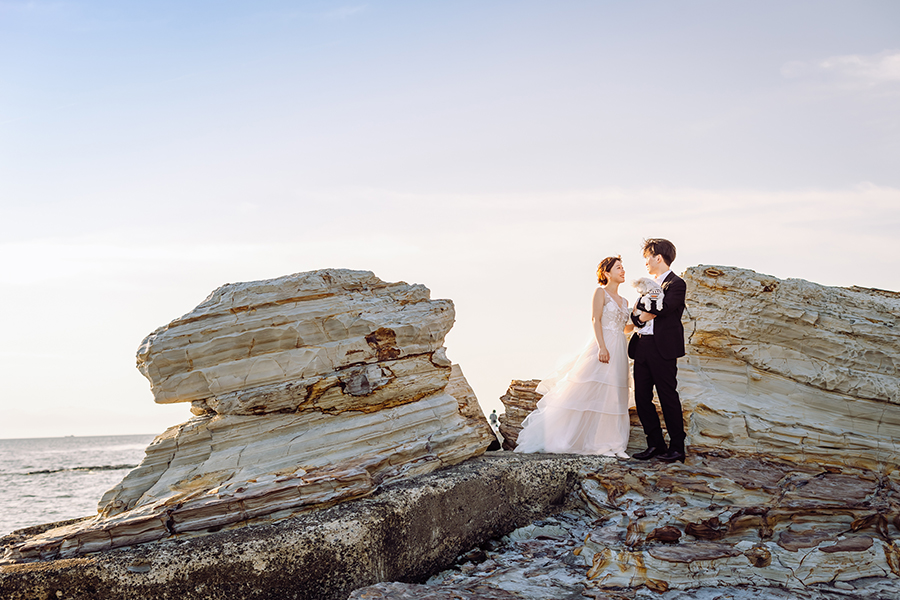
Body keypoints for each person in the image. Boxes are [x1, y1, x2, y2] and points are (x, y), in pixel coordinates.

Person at [515, 256, 633, 456]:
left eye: (623, 268)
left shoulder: (625, 301)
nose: (623, 271)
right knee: (589, 389)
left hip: (620, 348)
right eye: (618, 268)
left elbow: (625, 328)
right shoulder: (600, 292)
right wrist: (602, 347)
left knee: (614, 395)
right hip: (602, 345)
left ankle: (613, 443)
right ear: (606, 273)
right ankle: (583, 441)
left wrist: (642, 319)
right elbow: (595, 319)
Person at [628, 238, 687, 463]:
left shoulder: (676, 283)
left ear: (658, 258)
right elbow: (635, 316)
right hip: (641, 345)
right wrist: (642, 313)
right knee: (642, 398)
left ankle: (677, 448)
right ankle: (655, 444)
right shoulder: (645, 285)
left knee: (667, 397)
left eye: (647, 258)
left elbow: (666, 308)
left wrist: (643, 311)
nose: (646, 263)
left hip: (662, 349)